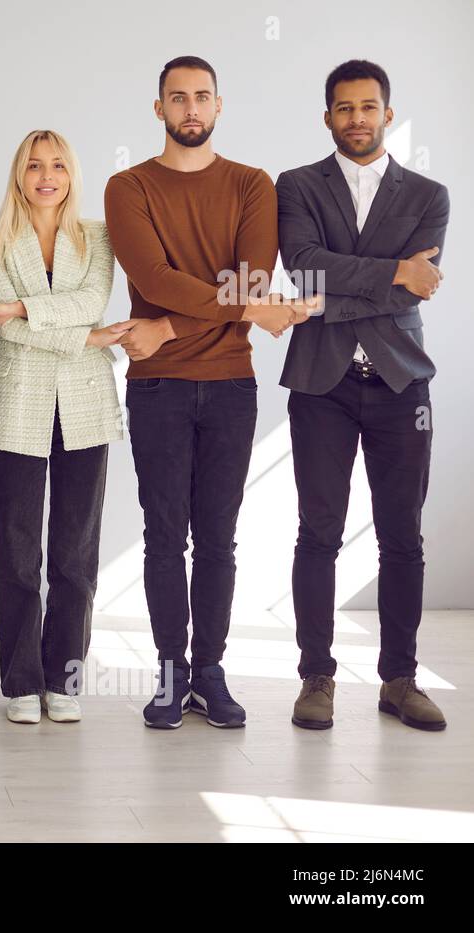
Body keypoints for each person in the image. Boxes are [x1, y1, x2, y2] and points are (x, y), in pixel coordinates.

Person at [103, 55, 319, 729]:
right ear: (159, 108)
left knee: (218, 540)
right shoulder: (128, 186)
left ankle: (212, 674)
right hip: (157, 387)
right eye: (177, 97)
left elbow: (250, 284)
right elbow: (155, 275)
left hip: (229, 385)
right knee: (164, 537)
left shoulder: (253, 184)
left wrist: (167, 325)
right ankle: (172, 675)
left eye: (201, 97)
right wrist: (241, 307)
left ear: (218, 106)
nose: (190, 108)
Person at [277, 59, 449, 732]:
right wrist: (389, 271)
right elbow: (301, 264)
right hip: (321, 383)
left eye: (368, 107)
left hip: (401, 380)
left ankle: (400, 679)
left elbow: (418, 284)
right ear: (328, 117)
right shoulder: (296, 185)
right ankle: (315, 677)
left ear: (388, 114)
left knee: (402, 536)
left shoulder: (429, 194)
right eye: (344, 108)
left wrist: (333, 297)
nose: (356, 118)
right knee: (318, 533)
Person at [0, 129, 128, 725]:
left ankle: (63, 679)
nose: (46, 176)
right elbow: (7, 330)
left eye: (58, 165)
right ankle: (19, 683)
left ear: (72, 174)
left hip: (85, 404)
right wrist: (85, 338)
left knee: (74, 554)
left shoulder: (97, 237)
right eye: (34, 165)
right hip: (15, 401)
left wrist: (20, 308)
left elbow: (89, 302)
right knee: (16, 555)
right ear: (19, 174)